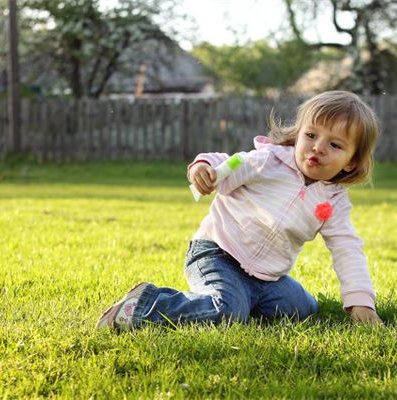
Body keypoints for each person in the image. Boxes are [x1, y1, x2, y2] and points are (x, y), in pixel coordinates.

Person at [96, 91, 382, 331]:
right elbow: (230, 163)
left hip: (266, 278)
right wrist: (205, 168)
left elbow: (347, 249)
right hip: (218, 254)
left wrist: (361, 303)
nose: (317, 148)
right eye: (310, 135)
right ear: (297, 135)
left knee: (303, 309)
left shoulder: (334, 201)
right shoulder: (267, 162)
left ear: (351, 162)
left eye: (334, 144)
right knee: (226, 313)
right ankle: (144, 304)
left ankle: (246, 300)